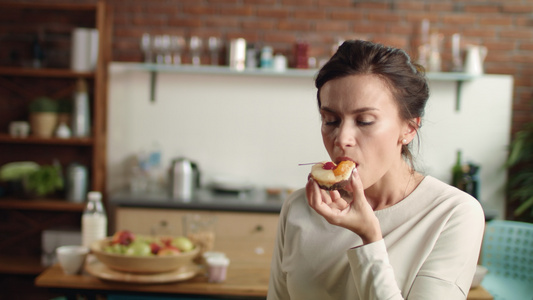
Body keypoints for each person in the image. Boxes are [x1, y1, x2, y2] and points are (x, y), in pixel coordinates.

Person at [267, 40, 485, 299]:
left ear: (409, 129)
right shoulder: (299, 206)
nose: (342, 138)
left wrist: (370, 238)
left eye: (365, 121)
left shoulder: (453, 214)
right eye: (331, 120)